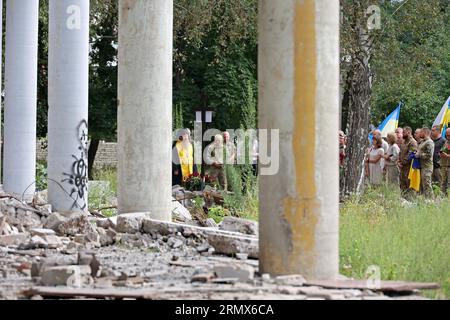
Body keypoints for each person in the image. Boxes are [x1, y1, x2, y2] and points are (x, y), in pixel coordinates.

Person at [415, 127, 434, 198]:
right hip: (421, 166)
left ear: (425, 132)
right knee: (422, 184)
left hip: (427, 166)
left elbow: (429, 155)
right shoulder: (423, 141)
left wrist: (419, 155)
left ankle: (431, 199)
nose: (420, 134)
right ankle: (424, 199)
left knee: (427, 183)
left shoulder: (429, 142)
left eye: (421, 132)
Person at [398, 127, 418, 193]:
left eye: (404, 132)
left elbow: (411, 155)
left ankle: (410, 200)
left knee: (408, 184)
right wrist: (399, 161)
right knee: (402, 184)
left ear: (409, 133)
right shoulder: (404, 142)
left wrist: (403, 163)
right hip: (402, 167)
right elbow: (400, 152)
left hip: (409, 167)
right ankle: (403, 199)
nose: (402, 134)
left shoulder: (413, 142)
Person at [440, 128, 450, 195]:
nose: (448, 137)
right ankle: (442, 197)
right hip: (444, 165)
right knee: (443, 182)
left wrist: (447, 156)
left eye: (449, 135)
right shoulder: (446, 142)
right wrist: (441, 153)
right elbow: (442, 150)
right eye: (447, 135)